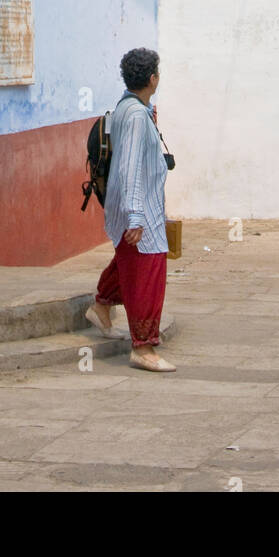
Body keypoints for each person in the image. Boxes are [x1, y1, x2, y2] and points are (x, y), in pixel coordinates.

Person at [86, 47, 175, 372]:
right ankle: (144, 347)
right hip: (139, 208)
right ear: (152, 78)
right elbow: (130, 166)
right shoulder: (137, 115)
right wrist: (137, 215)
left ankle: (102, 305)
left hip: (132, 205)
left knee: (127, 259)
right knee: (148, 271)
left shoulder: (128, 107)